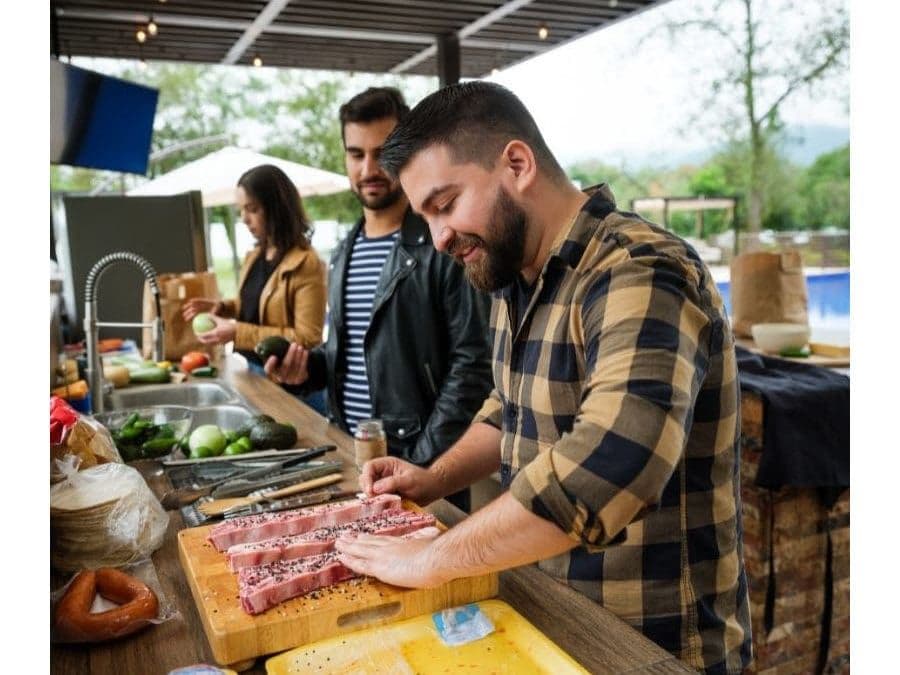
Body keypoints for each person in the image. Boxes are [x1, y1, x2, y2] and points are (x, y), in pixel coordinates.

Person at [333, 82, 753, 674]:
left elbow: (610, 464)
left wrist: (430, 557)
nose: (440, 238)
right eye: (427, 217)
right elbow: (507, 407)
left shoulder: (639, 269)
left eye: (445, 204)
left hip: (652, 647)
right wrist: (433, 478)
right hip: (553, 624)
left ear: (517, 164)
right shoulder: (514, 275)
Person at [265, 87, 493, 512]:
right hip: (352, 457)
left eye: (383, 152)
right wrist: (308, 369)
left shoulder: (444, 244)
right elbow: (353, 350)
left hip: (423, 466)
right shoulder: (343, 250)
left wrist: (421, 464)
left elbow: (474, 366)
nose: (369, 168)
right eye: (356, 154)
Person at [182, 164, 327, 411]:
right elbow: (256, 305)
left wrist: (236, 332)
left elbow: (307, 337)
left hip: (292, 384)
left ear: (277, 208)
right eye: (241, 210)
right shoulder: (255, 256)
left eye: (252, 209)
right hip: (254, 371)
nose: (244, 219)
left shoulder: (307, 263)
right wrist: (223, 307)